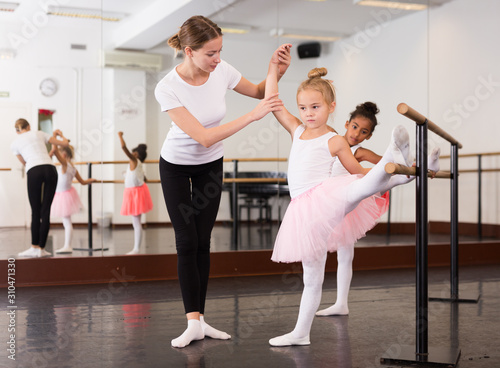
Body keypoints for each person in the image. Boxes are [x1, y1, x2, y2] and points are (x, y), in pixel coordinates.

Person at [264, 53, 439, 346]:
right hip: (303, 212)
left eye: (316, 107)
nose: (308, 113)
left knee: (363, 186)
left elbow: (358, 173)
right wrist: (273, 69)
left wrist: (375, 181)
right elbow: (273, 101)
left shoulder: (334, 140)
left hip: (327, 196)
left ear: (332, 108)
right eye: (303, 107)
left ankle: (394, 154)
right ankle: (301, 333)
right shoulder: (296, 130)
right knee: (312, 277)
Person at [154, 14, 291, 348]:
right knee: (186, 241)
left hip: (210, 165)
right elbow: (202, 136)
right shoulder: (167, 87)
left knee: (204, 240)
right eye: (210, 54)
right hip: (176, 166)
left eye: (220, 52)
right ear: (189, 51)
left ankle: (200, 320)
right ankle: (191, 322)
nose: (217, 60)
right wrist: (252, 115)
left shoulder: (222, 70)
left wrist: (276, 69)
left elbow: (259, 91)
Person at [316, 102, 440, 317]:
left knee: (389, 172)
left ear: (369, 136)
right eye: (354, 127)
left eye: (363, 132)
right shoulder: (334, 141)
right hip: (329, 199)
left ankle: (424, 165)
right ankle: (341, 304)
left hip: (350, 197)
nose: (356, 134)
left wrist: (411, 165)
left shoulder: (360, 151)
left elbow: (389, 165)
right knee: (343, 254)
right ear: (346, 124)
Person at [11, 119, 69, 258]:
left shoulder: (15, 143)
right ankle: (42, 249)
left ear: (17, 130)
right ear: (29, 126)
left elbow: (25, 162)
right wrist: (59, 135)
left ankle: (34, 247)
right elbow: (65, 144)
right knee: (46, 210)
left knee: (35, 211)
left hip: (34, 171)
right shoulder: (40, 133)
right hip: (50, 170)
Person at [49, 145, 96, 254]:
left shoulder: (65, 164)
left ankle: (68, 245)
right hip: (66, 194)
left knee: (67, 222)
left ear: (64, 155)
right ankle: (67, 245)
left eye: (60, 154)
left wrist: (55, 138)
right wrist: (91, 180)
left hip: (63, 196)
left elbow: (54, 151)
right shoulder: (73, 168)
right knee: (67, 222)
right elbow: (83, 182)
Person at [118, 131, 153, 255]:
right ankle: (136, 248)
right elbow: (141, 177)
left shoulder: (133, 160)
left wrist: (120, 136)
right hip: (137, 192)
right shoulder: (138, 164)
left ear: (137, 155)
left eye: (134, 152)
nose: (132, 153)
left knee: (136, 223)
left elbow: (123, 147)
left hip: (135, 194)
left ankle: (136, 249)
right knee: (136, 223)